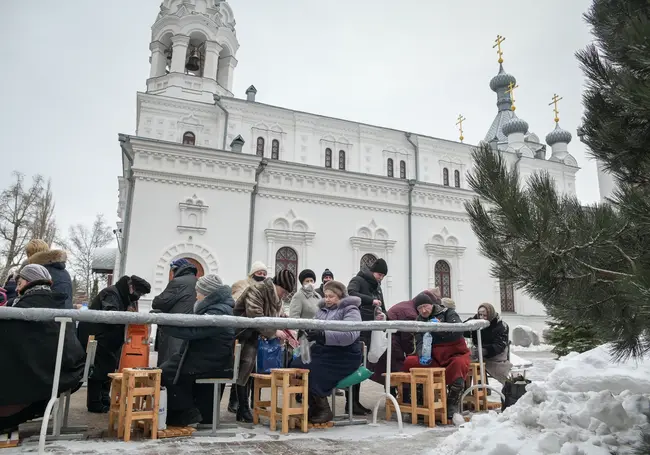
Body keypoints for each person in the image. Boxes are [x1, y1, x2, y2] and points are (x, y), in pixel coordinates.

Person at [0, 265, 85, 433]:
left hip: (44, 379)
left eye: (19, 284)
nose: (16, 289)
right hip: (67, 372)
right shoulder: (58, 304)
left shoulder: (24, 308)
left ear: (27, 282)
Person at [160, 274, 236, 426]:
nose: (196, 295)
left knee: (165, 372)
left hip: (211, 361)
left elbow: (193, 331)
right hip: (208, 357)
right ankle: (185, 413)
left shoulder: (218, 311)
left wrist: (164, 323)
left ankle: (187, 413)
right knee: (170, 368)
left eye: (198, 292)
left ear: (207, 294)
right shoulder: (216, 308)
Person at [291, 280, 362, 424]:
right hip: (325, 350)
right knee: (296, 364)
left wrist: (323, 335)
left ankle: (323, 408)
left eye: (331, 296)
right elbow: (315, 328)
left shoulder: (350, 310)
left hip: (345, 354)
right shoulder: (322, 311)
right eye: (326, 296)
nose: (327, 299)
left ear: (340, 296)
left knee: (313, 369)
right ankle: (313, 405)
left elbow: (350, 335)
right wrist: (310, 333)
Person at [77, 275, 151, 413]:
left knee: (109, 367)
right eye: (139, 292)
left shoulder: (126, 297)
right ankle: (94, 403)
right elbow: (110, 315)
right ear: (131, 287)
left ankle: (104, 398)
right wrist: (126, 314)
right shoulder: (111, 293)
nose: (139, 296)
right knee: (98, 368)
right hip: (97, 335)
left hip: (110, 337)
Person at [232, 269, 295, 423]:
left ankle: (252, 406)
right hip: (245, 334)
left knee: (256, 370)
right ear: (278, 285)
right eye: (284, 291)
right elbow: (254, 315)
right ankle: (242, 408)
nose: (284, 295)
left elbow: (276, 314)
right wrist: (274, 332)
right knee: (245, 369)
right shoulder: (257, 290)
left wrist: (285, 324)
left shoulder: (276, 296)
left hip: (260, 336)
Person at [403, 293, 471, 419]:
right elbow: (419, 341)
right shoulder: (419, 321)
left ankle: (452, 402)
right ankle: (420, 400)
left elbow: (458, 331)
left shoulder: (448, 313)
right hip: (434, 355)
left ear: (432, 304)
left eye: (425, 306)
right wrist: (422, 354)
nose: (423, 310)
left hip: (455, 353)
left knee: (458, 365)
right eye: (419, 308)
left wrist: (440, 328)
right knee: (410, 362)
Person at [369, 289, 440, 388]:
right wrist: (413, 353)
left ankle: (392, 398)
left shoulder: (408, 305)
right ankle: (404, 399)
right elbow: (407, 339)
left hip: (388, 342)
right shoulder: (411, 314)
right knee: (400, 373)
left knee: (389, 373)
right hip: (393, 345)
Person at [346, 258, 388, 414]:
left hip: (370, 329)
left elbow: (381, 304)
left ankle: (356, 401)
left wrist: (385, 317)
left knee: (361, 366)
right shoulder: (358, 280)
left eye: (383, 275)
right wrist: (371, 301)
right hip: (358, 328)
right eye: (379, 274)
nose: (381, 277)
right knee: (354, 365)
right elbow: (351, 294)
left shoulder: (376, 286)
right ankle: (350, 402)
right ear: (372, 271)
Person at [152, 259, 198, 366]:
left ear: (176, 270)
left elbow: (159, 303)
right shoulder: (198, 282)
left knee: (170, 364)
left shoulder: (177, 282)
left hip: (175, 330)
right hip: (192, 329)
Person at [464, 303, 512, 383]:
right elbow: (463, 330)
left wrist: (485, 350)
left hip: (495, 356)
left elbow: (500, 345)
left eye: (485, 315)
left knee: (501, 371)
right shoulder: (475, 322)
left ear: (490, 314)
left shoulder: (500, 326)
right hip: (477, 354)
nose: (482, 318)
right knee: (465, 365)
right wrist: (469, 323)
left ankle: (506, 389)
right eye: (480, 315)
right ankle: (466, 390)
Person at [24, 239, 73, 309]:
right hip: (65, 316)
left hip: (47, 316)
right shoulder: (63, 271)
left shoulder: (37, 272)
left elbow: (30, 300)